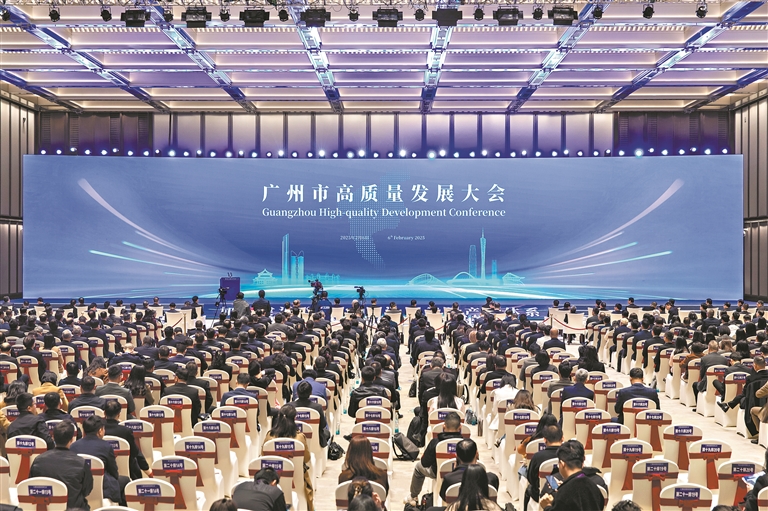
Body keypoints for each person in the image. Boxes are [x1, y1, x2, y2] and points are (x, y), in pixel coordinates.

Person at [29, 421, 93, 509]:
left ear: (53, 437)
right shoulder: (81, 463)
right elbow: (87, 490)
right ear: (72, 440)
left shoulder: (38, 460)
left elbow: (31, 484)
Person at [405, 411, 464, 506]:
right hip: (463, 474)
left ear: (444, 426)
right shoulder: (467, 443)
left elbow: (424, 463)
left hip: (437, 472)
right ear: (460, 427)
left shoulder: (435, 442)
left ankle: (413, 496)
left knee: (418, 468)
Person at [262, 405, 314, 510]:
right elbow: (307, 459)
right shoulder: (300, 438)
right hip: (298, 480)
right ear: (295, 418)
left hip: (272, 481)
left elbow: (263, 457)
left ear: (279, 417)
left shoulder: (269, 436)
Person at [71, 415, 130, 505]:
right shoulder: (106, 446)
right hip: (103, 488)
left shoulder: (73, 446)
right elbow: (114, 472)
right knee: (125, 480)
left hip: (79, 487)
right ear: (100, 431)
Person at [538, 440, 606, 511]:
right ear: (582, 461)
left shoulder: (564, 493)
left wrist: (547, 506)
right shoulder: (594, 487)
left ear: (562, 464)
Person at [104, 400, 151, 480]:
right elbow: (135, 452)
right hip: (129, 473)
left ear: (104, 413)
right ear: (119, 414)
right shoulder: (125, 431)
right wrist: (147, 470)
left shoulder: (99, 430)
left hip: (106, 473)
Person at [525, 424, 563, 509]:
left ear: (545, 440)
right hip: (563, 494)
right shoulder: (567, 456)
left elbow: (531, 479)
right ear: (562, 439)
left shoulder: (537, 457)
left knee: (529, 489)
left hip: (541, 496)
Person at [292, 380, 330, 447]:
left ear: (297, 393)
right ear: (311, 393)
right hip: (316, 442)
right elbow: (323, 425)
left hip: (295, 441)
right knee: (327, 433)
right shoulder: (318, 407)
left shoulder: (289, 407)